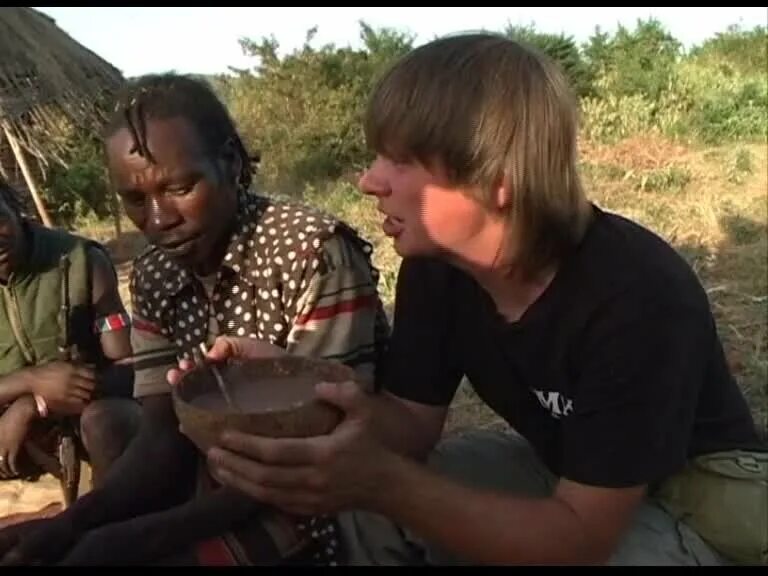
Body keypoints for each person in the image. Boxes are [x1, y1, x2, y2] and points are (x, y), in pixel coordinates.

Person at [196, 34, 767, 566]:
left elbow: (581, 540)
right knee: (367, 504)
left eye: (401, 161)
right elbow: (410, 427)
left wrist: (384, 483)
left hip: (690, 494)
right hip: (568, 472)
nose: (369, 181)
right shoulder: (438, 267)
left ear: (496, 179)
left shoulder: (637, 299)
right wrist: (309, 386)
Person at [0, 73, 390, 566]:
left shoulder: (313, 253)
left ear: (229, 162)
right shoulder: (156, 273)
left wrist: (141, 537)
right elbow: (163, 430)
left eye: (180, 187)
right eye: (135, 200)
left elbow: (316, 451)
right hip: (219, 485)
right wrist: (73, 523)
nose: (159, 219)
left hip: (331, 495)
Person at [0, 179, 137, 495]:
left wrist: (36, 405)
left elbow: (129, 366)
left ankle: (106, 524)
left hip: (79, 417)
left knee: (110, 421)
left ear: (14, 206)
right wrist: (29, 383)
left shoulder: (81, 262)